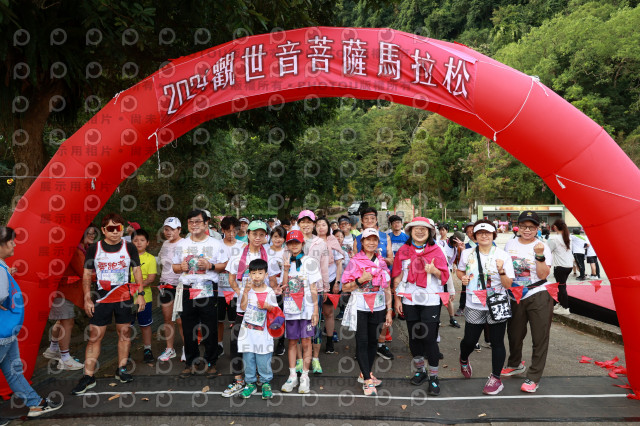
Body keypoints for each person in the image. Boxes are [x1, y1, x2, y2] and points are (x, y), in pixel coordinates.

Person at [71, 213, 145, 395]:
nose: (115, 232)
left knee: (124, 333)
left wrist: (141, 294)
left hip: (123, 297)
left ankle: (122, 369)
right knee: (95, 336)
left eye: (118, 228)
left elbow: (137, 271)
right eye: (111, 228)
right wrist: (87, 298)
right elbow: (86, 275)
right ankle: (88, 376)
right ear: (103, 230)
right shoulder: (94, 248)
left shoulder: (129, 247)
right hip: (101, 298)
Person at [0, 226, 63, 418]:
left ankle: (35, 403)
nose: (14, 244)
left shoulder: (2, 267)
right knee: (14, 370)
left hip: (7, 331)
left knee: (14, 370)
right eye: (11, 241)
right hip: (4, 330)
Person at [457, 220, 515, 395]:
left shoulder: (503, 255)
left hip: (497, 303)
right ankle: (464, 358)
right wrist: (462, 278)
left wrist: (501, 271)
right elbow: (460, 270)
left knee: (497, 342)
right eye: (480, 233)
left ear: (493, 235)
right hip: (474, 303)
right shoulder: (467, 253)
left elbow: (508, 284)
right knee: (469, 341)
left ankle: (496, 378)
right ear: (474, 236)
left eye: (487, 233)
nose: (484, 236)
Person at [392, 217, 449, 396]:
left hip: (430, 300)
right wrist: (397, 300)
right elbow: (397, 276)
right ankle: (420, 371)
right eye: (416, 228)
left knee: (429, 339)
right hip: (409, 300)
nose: (420, 231)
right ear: (410, 231)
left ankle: (434, 376)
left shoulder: (437, 250)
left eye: (424, 229)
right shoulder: (403, 250)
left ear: (430, 232)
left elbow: (445, 276)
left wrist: (434, 271)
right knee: (415, 337)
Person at [223, 220, 279, 397]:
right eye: (254, 233)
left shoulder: (269, 256)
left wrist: (275, 290)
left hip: (262, 308)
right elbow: (231, 278)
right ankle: (239, 379)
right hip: (243, 306)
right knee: (236, 342)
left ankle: (263, 379)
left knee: (262, 342)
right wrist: (241, 292)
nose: (258, 237)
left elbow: (272, 279)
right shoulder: (238, 255)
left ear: (265, 236)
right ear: (248, 234)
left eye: (262, 234)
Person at [172, 209, 228, 379]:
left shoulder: (216, 244)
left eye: (198, 221)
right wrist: (181, 267)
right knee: (188, 327)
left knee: (209, 327)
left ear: (206, 224)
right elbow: (174, 267)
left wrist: (210, 266)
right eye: (191, 222)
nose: (194, 225)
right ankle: (191, 362)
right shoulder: (181, 244)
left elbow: (225, 265)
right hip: (187, 288)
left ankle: (211, 362)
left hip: (208, 288)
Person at [502, 211, 553, 393]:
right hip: (515, 295)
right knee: (514, 334)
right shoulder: (510, 244)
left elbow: (543, 275)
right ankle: (515, 364)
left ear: (537, 228)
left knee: (540, 337)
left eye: (531, 227)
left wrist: (539, 255)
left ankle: (534, 377)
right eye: (523, 226)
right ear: (518, 227)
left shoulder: (543, 246)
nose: (527, 230)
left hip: (538, 294)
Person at [342, 228, 393, 396]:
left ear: (378, 242)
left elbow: (387, 288)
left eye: (374, 240)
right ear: (362, 242)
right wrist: (360, 280)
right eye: (368, 239)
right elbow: (345, 287)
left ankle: (366, 373)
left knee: (373, 342)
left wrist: (389, 310)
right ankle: (367, 380)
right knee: (362, 341)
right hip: (360, 307)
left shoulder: (382, 262)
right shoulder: (354, 261)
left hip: (378, 307)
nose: (371, 242)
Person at [44, 225, 99, 370]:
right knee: (67, 322)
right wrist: (104, 275)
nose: (92, 235)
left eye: (94, 233)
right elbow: (84, 272)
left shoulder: (82, 249)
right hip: (64, 291)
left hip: (64, 292)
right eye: (89, 233)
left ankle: (53, 349)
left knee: (61, 321)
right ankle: (65, 359)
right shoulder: (76, 250)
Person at [280, 230, 321, 394]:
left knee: (306, 342)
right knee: (291, 342)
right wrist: (285, 269)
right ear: (287, 245)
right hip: (291, 309)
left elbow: (313, 287)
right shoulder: (285, 261)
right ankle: (292, 376)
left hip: (307, 309)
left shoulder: (310, 261)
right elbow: (283, 288)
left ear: (302, 244)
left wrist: (315, 310)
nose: (294, 245)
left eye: (297, 242)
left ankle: (304, 376)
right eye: (291, 243)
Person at [353, 207, 394, 360]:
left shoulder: (385, 237)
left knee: (381, 315)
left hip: (381, 281)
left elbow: (391, 258)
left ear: (376, 220)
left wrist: (380, 261)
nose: (369, 221)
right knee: (362, 317)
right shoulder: (357, 239)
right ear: (362, 221)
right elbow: (354, 260)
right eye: (366, 219)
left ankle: (380, 345)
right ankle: (361, 348)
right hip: (363, 283)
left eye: (372, 218)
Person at [237, 259, 278, 400]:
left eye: (260, 273)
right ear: (249, 275)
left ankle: (266, 383)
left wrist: (267, 306)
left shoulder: (269, 291)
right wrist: (245, 292)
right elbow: (242, 307)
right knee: (248, 358)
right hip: (248, 333)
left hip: (263, 333)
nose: (257, 276)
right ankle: (250, 383)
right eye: (253, 273)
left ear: (266, 275)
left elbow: (275, 310)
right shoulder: (247, 290)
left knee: (263, 358)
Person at [296, 210, 329, 374]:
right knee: (297, 325)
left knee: (315, 324)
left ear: (314, 224)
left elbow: (324, 267)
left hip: (316, 289)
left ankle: (315, 359)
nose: (306, 224)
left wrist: (325, 287)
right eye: (303, 221)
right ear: (298, 223)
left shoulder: (320, 243)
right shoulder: (292, 241)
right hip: (296, 291)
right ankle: (299, 360)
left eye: (309, 222)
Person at [157, 217, 185, 362]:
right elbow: (160, 262)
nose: (168, 232)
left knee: (181, 320)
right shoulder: (165, 244)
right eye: (166, 229)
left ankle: (187, 348)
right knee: (168, 318)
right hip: (165, 284)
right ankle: (170, 349)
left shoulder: (185, 243)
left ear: (179, 230)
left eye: (172, 229)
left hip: (181, 286)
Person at [217, 216, 246, 359]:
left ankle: (236, 347)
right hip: (219, 289)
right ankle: (219, 345)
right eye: (228, 231)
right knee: (219, 320)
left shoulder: (242, 246)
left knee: (236, 321)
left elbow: (244, 266)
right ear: (222, 230)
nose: (231, 234)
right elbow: (214, 265)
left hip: (236, 291)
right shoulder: (217, 245)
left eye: (234, 231)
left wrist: (228, 266)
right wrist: (227, 265)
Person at [315, 217, 344, 354]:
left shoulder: (333, 241)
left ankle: (330, 340)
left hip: (331, 280)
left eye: (324, 225)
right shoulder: (311, 242)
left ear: (328, 227)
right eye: (318, 225)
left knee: (328, 312)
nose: (321, 227)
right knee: (313, 312)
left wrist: (337, 282)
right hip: (314, 281)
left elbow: (339, 264)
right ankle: (313, 340)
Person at [130, 229, 157, 363]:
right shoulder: (126, 257)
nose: (139, 243)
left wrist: (137, 286)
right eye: (135, 240)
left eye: (142, 240)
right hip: (127, 297)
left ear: (147, 243)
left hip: (145, 297)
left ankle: (147, 349)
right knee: (127, 325)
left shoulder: (150, 258)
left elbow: (151, 278)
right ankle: (126, 351)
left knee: (145, 324)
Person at [266, 225, 287, 356]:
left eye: (281, 237)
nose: (278, 239)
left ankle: (281, 342)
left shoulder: (287, 252)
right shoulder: (265, 251)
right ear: (271, 237)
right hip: (267, 288)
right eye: (275, 237)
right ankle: (267, 340)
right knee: (268, 314)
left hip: (282, 289)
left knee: (280, 315)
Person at [435, 224, 460, 328]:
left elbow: (453, 261)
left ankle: (452, 318)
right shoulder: (439, 243)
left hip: (447, 273)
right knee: (438, 298)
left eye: (444, 230)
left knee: (449, 296)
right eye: (440, 230)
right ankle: (436, 319)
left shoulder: (454, 247)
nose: (442, 232)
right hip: (438, 273)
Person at [547, 220, 573, 315]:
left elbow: (547, 250)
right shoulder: (569, 237)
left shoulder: (554, 239)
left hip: (560, 266)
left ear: (555, 227)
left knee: (561, 287)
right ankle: (560, 304)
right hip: (569, 265)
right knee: (562, 286)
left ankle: (565, 308)